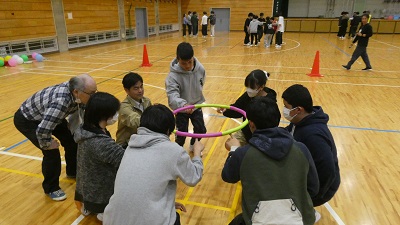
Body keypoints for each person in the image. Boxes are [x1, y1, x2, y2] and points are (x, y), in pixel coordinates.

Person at [222, 97, 319, 225]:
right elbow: (313, 189)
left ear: (251, 124)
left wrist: (234, 149)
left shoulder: (243, 153)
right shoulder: (301, 149)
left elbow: (227, 176)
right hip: (300, 219)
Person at [103, 104, 204, 225]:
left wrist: (168, 203)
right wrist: (197, 154)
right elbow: (193, 178)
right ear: (168, 130)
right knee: (174, 219)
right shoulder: (173, 151)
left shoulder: (130, 147)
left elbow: (140, 188)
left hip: (112, 220)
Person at [13, 74, 97, 201]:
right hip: (28, 120)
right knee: (51, 152)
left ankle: (72, 171)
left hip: (49, 115)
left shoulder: (77, 93)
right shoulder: (60, 103)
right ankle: (51, 188)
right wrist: (47, 143)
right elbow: (43, 130)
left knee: (71, 141)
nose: (94, 96)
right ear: (76, 92)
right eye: (91, 93)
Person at [282, 84, 340, 207]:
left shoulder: (313, 135)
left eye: (286, 107)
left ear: (299, 109)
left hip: (320, 189)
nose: (284, 110)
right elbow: (288, 132)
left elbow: (327, 171)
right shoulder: (299, 120)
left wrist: (310, 197)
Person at [74, 92, 125, 221]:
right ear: (105, 115)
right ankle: (104, 211)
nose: (115, 115)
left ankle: (91, 206)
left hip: (86, 186)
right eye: (114, 112)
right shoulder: (101, 143)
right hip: (101, 193)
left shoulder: (84, 129)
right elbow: (125, 161)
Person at [217, 69, 276, 145]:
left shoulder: (269, 102)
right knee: (228, 144)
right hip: (246, 132)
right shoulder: (248, 96)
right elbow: (238, 109)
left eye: (251, 87)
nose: (248, 89)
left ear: (261, 87)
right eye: (247, 86)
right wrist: (226, 110)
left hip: (261, 136)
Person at [165, 42, 207, 149]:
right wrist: (183, 105)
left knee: (201, 130)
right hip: (182, 109)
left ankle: (194, 145)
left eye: (190, 62)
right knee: (181, 134)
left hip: (196, 106)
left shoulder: (200, 69)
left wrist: (196, 101)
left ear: (193, 57)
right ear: (177, 59)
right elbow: (172, 95)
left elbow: (201, 83)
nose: (188, 66)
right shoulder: (172, 76)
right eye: (184, 63)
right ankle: (178, 151)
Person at [116, 72, 151, 149]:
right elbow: (136, 121)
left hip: (141, 141)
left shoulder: (147, 101)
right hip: (126, 146)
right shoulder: (124, 107)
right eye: (136, 88)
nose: (140, 90)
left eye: (141, 86)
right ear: (126, 90)